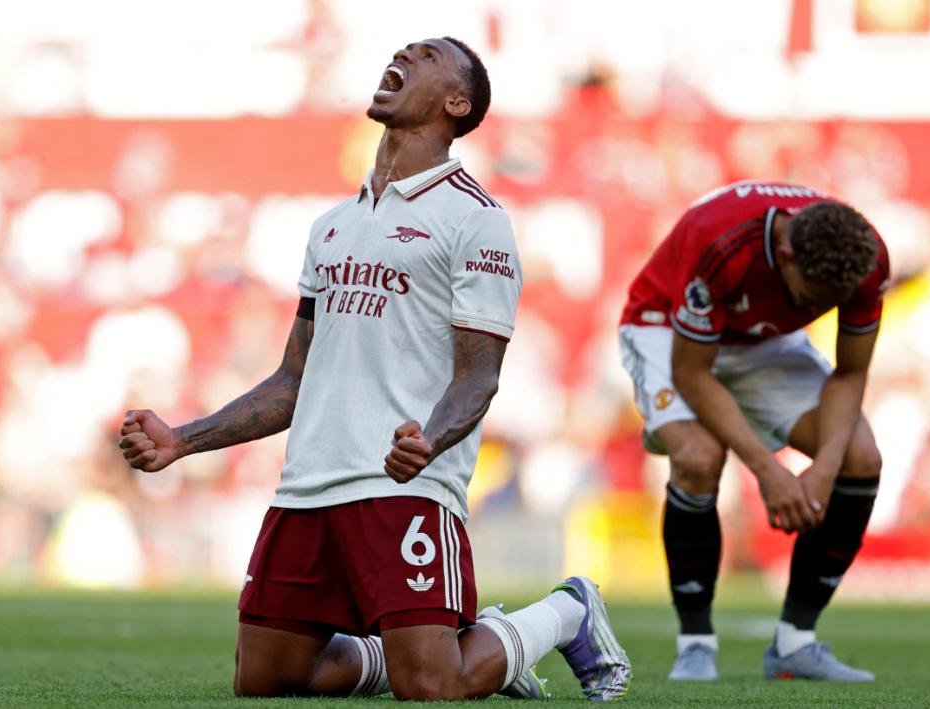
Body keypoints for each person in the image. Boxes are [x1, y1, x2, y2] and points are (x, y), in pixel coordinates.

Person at [119, 36, 630, 701]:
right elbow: (290, 381)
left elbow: (480, 374)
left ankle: (567, 611)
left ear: (457, 101)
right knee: (266, 678)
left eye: (426, 55)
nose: (404, 54)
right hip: (308, 485)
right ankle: (421, 650)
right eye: (403, 49)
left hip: (404, 486)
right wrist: (182, 440)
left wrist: (431, 439)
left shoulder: (476, 221)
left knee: (433, 685)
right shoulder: (332, 224)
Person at [619, 181, 889, 682]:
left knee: (859, 458)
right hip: (665, 326)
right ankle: (695, 644)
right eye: (811, 298)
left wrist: (822, 472)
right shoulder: (722, 242)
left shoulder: (865, 262)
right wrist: (770, 471)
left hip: (762, 339)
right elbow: (692, 373)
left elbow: (850, 373)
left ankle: (795, 644)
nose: (820, 307)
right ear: (785, 255)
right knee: (699, 457)